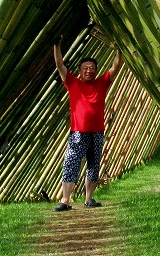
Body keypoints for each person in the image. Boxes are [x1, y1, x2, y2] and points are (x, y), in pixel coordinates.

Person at [51, 40, 123, 211]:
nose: (89, 70)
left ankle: (89, 199)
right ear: (80, 71)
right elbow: (59, 64)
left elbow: (115, 67)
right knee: (71, 163)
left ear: (96, 71)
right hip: (78, 132)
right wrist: (57, 45)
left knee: (93, 164)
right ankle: (66, 200)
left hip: (97, 132)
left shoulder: (102, 83)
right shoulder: (73, 82)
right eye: (86, 68)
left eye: (92, 68)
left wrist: (120, 50)